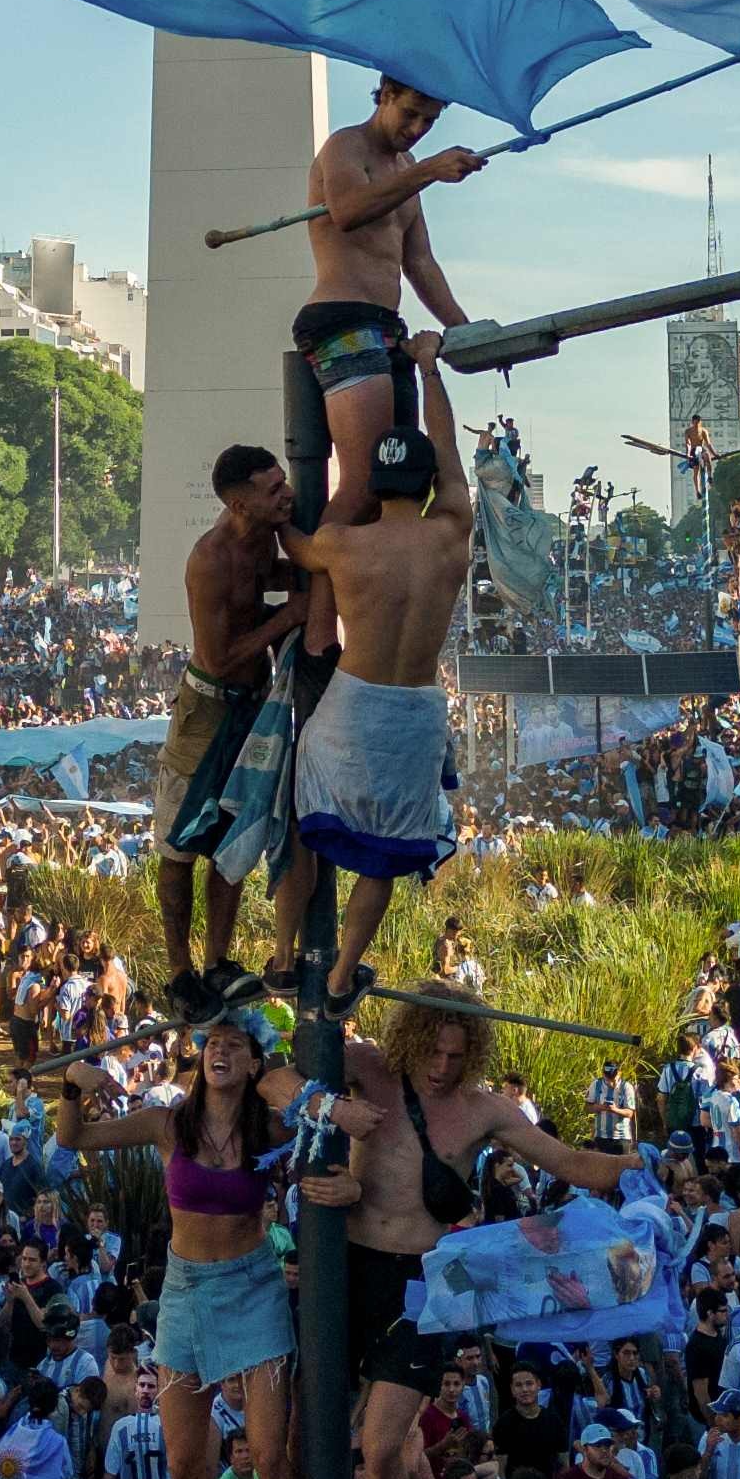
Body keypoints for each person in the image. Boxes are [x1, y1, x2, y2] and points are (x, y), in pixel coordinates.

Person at [313, 987, 640, 1479]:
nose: (441, 1065)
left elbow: (567, 1160)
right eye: (432, 1050)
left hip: (424, 1286)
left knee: (381, 1449)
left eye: (457, 1054)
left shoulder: (486, 1109)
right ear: (409, 1036)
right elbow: (285, 1076)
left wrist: (640, 1168)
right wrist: (324, 1074)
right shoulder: (368, 1067)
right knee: (308, 1434)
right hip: (344, 1269)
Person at [51, 1014, 306, 1479]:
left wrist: (283, 1081)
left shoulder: (271, 1128)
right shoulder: (167, 1124)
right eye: (211, 1041)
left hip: (254, 1286)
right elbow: (74, 1134)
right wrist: (73, 1082)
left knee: (271, 1454)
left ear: (254, 1062)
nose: (219, 1051)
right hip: (186, 1292)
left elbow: (319, 1112)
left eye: (235, 1045)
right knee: (187, 1463)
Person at [273, 337, 474, 1006]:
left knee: (310, 826)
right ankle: (338, 976)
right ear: (423, 487)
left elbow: (296, 544)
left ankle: (280, 952)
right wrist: (428, 368)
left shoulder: (341, 545)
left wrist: (279, 509)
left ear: (374, 486)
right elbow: (448, 452)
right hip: (416, 711)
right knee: (385, 855)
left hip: (351, 703)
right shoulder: (451, 530)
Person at [148, 446, 325, 1020]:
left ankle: (217, 962)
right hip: (208, 711)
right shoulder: (210, 558)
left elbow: (268, 582)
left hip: (252, 706)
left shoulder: (266, 536)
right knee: (179, 850)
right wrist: (289, 614)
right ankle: (180, 973)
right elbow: (219, 657)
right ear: (237, 501)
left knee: (229, 844)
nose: (286, 495)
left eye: (283, 484)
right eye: (273, 490)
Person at [297, 79, 484, 524]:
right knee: (363, 487)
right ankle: (320, 595)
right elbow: (347, 211)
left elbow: (419, 262)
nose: (419, 128)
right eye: (411, 113)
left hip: (387, 326)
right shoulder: (346, 146)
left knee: (398, 487)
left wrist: (467, 329)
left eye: (431, 120)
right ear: (385, 96)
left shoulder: (409, 165)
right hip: (341, 318)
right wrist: (426, 172)